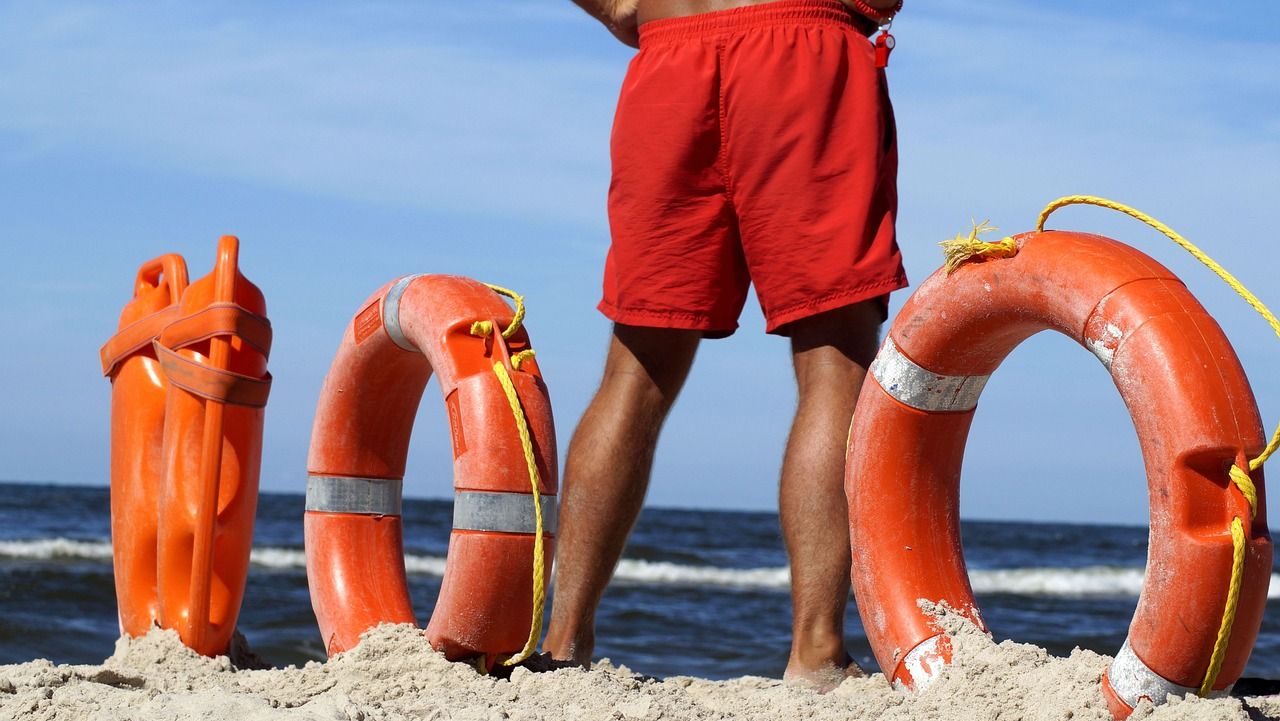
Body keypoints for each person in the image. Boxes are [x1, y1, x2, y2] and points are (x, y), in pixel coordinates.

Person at [545, 0, 908, 691]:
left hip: (669, 55)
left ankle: (564, 646)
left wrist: (622, 8)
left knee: (636, 367)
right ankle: (816, 652)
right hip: (802, 50)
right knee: (835, 360)